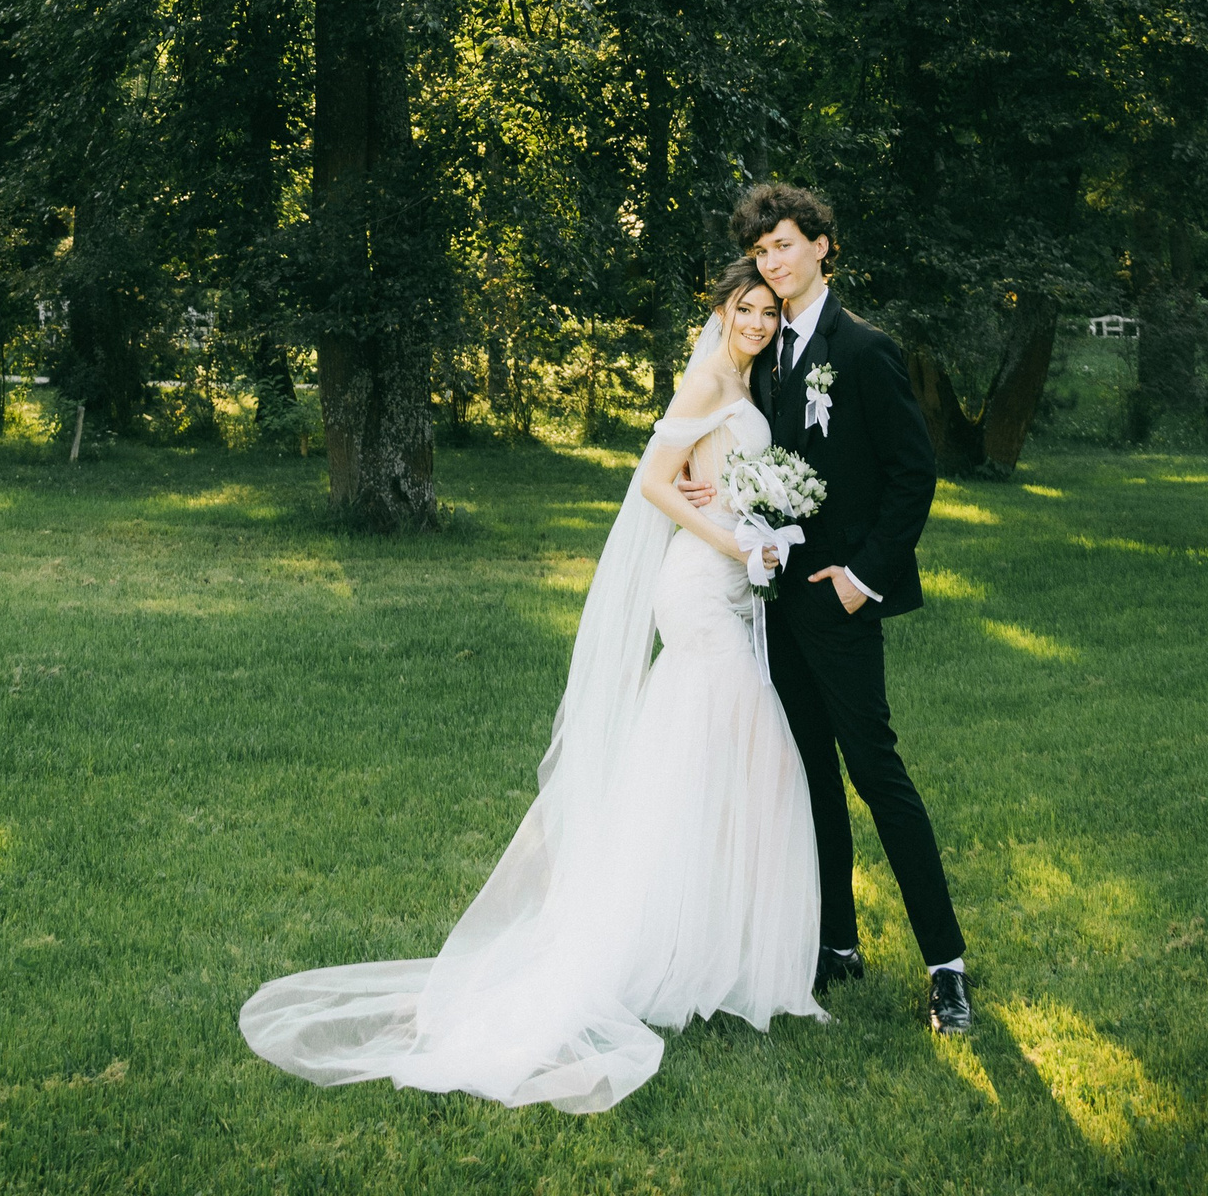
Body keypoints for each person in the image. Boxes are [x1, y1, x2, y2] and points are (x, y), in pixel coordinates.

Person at [240, 265, 823, 1114]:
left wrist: (753, 523)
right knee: (754, 754)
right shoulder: (707, 377)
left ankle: (710, 943)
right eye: (747, 309)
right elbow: (654, 482)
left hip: (733, 581)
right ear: (722, 310)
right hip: (701, 587)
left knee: (706, 760)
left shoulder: (749, 380)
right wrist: (728, 538)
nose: (759, 322)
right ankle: (671, 948)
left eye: (769, 311)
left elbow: (713, 472)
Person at [682, 181, 971, 1034]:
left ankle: (947, 968)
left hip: (841, 603)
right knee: (808, 776)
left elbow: (913, 475)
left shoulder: (866, 349)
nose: (772, 262)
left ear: (821, 245)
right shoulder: (761, 349)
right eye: (760, 251)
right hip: (773, 603)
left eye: (784, 245)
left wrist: (862, 578)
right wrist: (707, 487)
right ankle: (837, 943)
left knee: (875, 773)